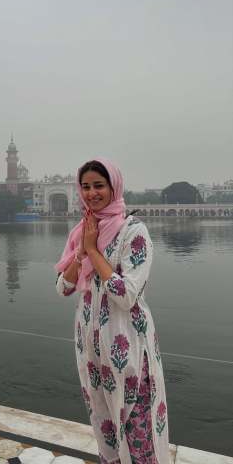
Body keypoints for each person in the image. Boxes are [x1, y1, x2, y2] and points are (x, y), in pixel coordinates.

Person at [55, 158, 169, 464]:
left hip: (128, 347)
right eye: (86, 186)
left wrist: (93, 250)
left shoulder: (134, 232)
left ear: (114, 187)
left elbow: (127, 295)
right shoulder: (84, 230)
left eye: (99, 186)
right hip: (92, 350)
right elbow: (62, 287)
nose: (92, 193)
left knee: (137, 430)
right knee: (105, 429)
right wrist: (82, 252)